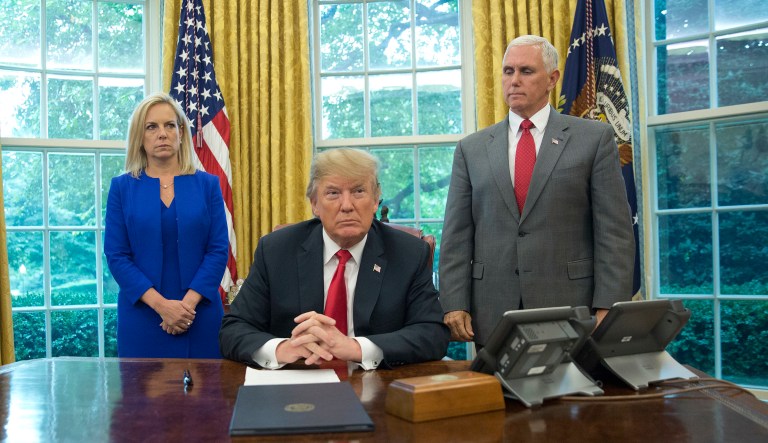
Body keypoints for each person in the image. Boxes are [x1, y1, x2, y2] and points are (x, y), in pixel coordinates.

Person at [439, 35, 635, 347]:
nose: (514, 81)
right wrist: (454, 301)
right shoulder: (471, 149)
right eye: (507, 71)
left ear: (552, 79)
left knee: (572, 395)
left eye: (526, 71)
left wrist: (608, 304)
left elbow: (614, 231)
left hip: (570, 306)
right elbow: (456, 235)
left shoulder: (593, 139)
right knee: (499, 396)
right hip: (491, 309)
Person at [219, 148, 450, 368]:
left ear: (376, 200)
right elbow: (234, 329)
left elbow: (432, 334)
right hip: (297, 388)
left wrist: (356, 348)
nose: (347, 206)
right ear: (314, 204)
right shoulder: (276, 251)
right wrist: (281, 349)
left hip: (378, 386)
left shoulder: (408, 253)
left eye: (359, 191)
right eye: (333, 193)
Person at [105, 92, 229, 358]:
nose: (162, 134)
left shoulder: (208, 185)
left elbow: (218, 250)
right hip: (142, 315)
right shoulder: (121, 188)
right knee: (144, 398)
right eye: (152, 127)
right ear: (140, 136)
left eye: (169, 125)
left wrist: (185, 308)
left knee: (206, 397)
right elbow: (117, 256)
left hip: (200, 314)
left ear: (181, 133)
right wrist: (163, 307)